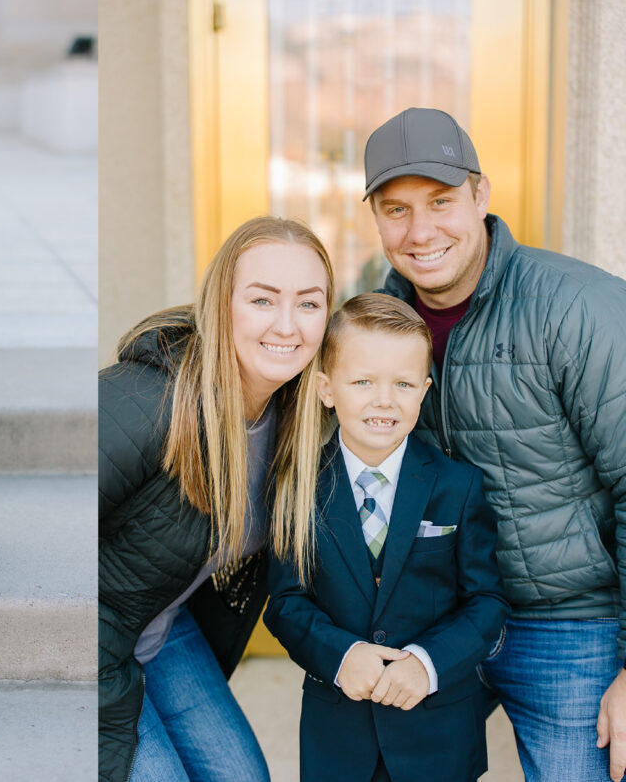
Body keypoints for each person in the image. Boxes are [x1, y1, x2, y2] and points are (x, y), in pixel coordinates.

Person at [367, 106, 626, 782]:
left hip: (571, 619)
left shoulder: (578, 308)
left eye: (442, 202)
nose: (420, 232)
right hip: (439, 616)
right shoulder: (373, 328)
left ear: (481, 195)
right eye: (396, 209)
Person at [98, 216, 335, 782]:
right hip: (97, 636)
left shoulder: (296, 416)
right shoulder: (146, 399)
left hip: (165, 624)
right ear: (221, 305)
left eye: (308, 303)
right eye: (262, 299)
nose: (287, 325)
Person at [263, 293, 509, 782]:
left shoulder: (457, 485)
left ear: (424, 389)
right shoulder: (295, 486)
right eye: (363, 382)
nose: (384, 399)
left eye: (402, 383)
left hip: (438, 736)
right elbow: (286, 603)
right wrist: (341, 655)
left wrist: (427, 662)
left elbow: (486, 603)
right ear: (326, 389)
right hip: (339, 737)